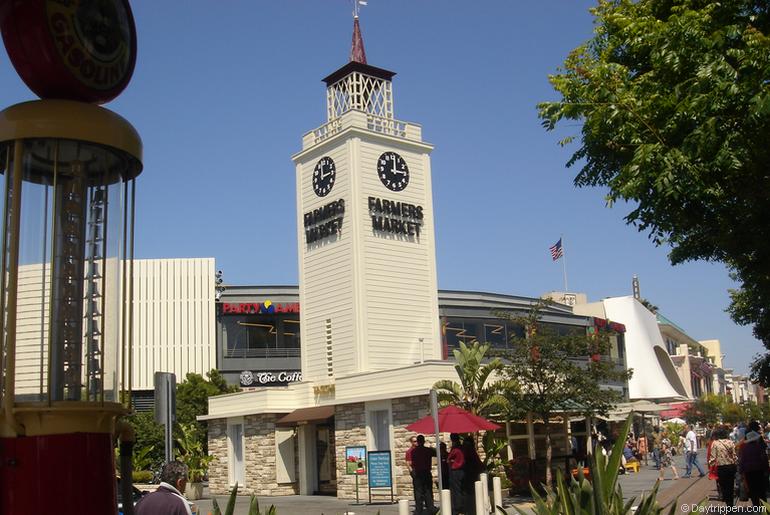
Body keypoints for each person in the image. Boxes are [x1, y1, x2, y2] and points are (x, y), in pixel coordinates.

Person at [739, 425, 769, 506]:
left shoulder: (744, 448)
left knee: (752, 491)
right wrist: (767, 470)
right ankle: (764, 508)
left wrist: (741, 471)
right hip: (759, 470)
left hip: (748, 472)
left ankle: (756, 507)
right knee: (761, 490)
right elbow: (764, 459)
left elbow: (742, 460)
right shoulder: (759, 447)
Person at [708, 426, 737, 507]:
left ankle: (728, 502)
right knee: (730, 485)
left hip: (721, 467)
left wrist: (711, 466)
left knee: (723, 485)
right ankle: (730, 503)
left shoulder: (715, 443)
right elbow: (734, 455)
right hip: (731, 466)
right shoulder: (730, 442)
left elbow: (713, 457)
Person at [411, 435, 437, 515]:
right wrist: (431, 447)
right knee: (428, 490)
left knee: (418, 492)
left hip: (418, 472)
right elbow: (436, 453)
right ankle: (430, 508)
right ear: (424, 441)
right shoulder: (428, 450)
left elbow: (413, 462)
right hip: (426, 472)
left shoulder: (413, 451)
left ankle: (419, 510)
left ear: (418, 442)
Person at [461, 436, 483, 515]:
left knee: (468, 494)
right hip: (472, 474)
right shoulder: (471, 451)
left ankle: (469, 510)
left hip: (467, 474)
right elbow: (479, 464)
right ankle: (471, 510)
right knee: (471, 494)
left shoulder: (465, 450)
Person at [447, 434, 465, 515]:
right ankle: (461, 507)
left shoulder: (455, 449)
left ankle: (457, 509)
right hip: (462, 470)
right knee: (461, 489)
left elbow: (449, 459)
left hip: (455, 471)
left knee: (455, 491)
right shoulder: (462, 447)